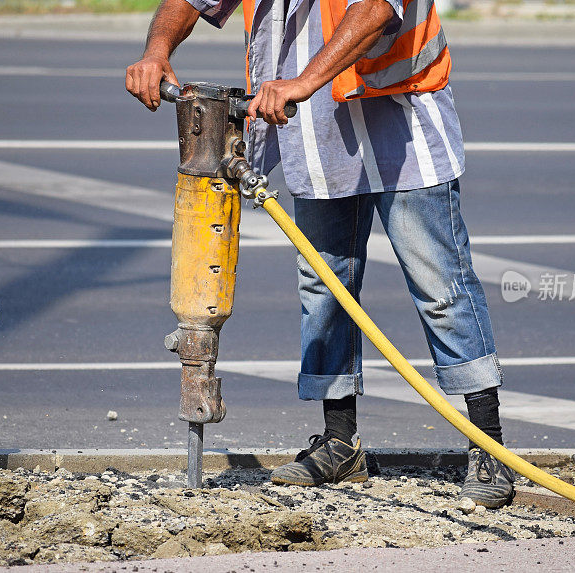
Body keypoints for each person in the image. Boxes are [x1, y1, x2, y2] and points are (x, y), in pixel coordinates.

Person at [126, 0, 515, 509]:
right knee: (324, 289)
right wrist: (156, 51)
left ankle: (489, 448)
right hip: (316, 137)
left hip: (402, 126)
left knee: (441, 286)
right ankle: (340, 443)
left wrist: (303, 81)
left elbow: (375, 9)